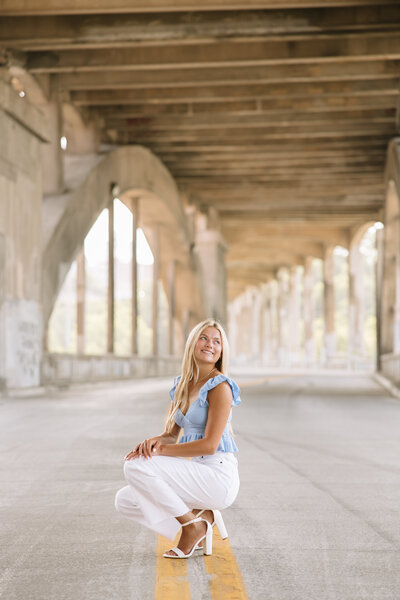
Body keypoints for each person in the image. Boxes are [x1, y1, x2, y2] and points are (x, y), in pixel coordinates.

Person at [114, 318, 241, 559]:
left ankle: (191, 527)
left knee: (135, 467)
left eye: (217, 341)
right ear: (193, 343)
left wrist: (159, 453)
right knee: (125, 500)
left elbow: (210, 445)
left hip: (218, 476)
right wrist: (152, 443)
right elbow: (171, 435)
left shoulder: (220, 387)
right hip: (197, 474)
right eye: (204, 338)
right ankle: (198, 519)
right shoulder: (183, 385)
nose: (210, 344)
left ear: (222, 350)